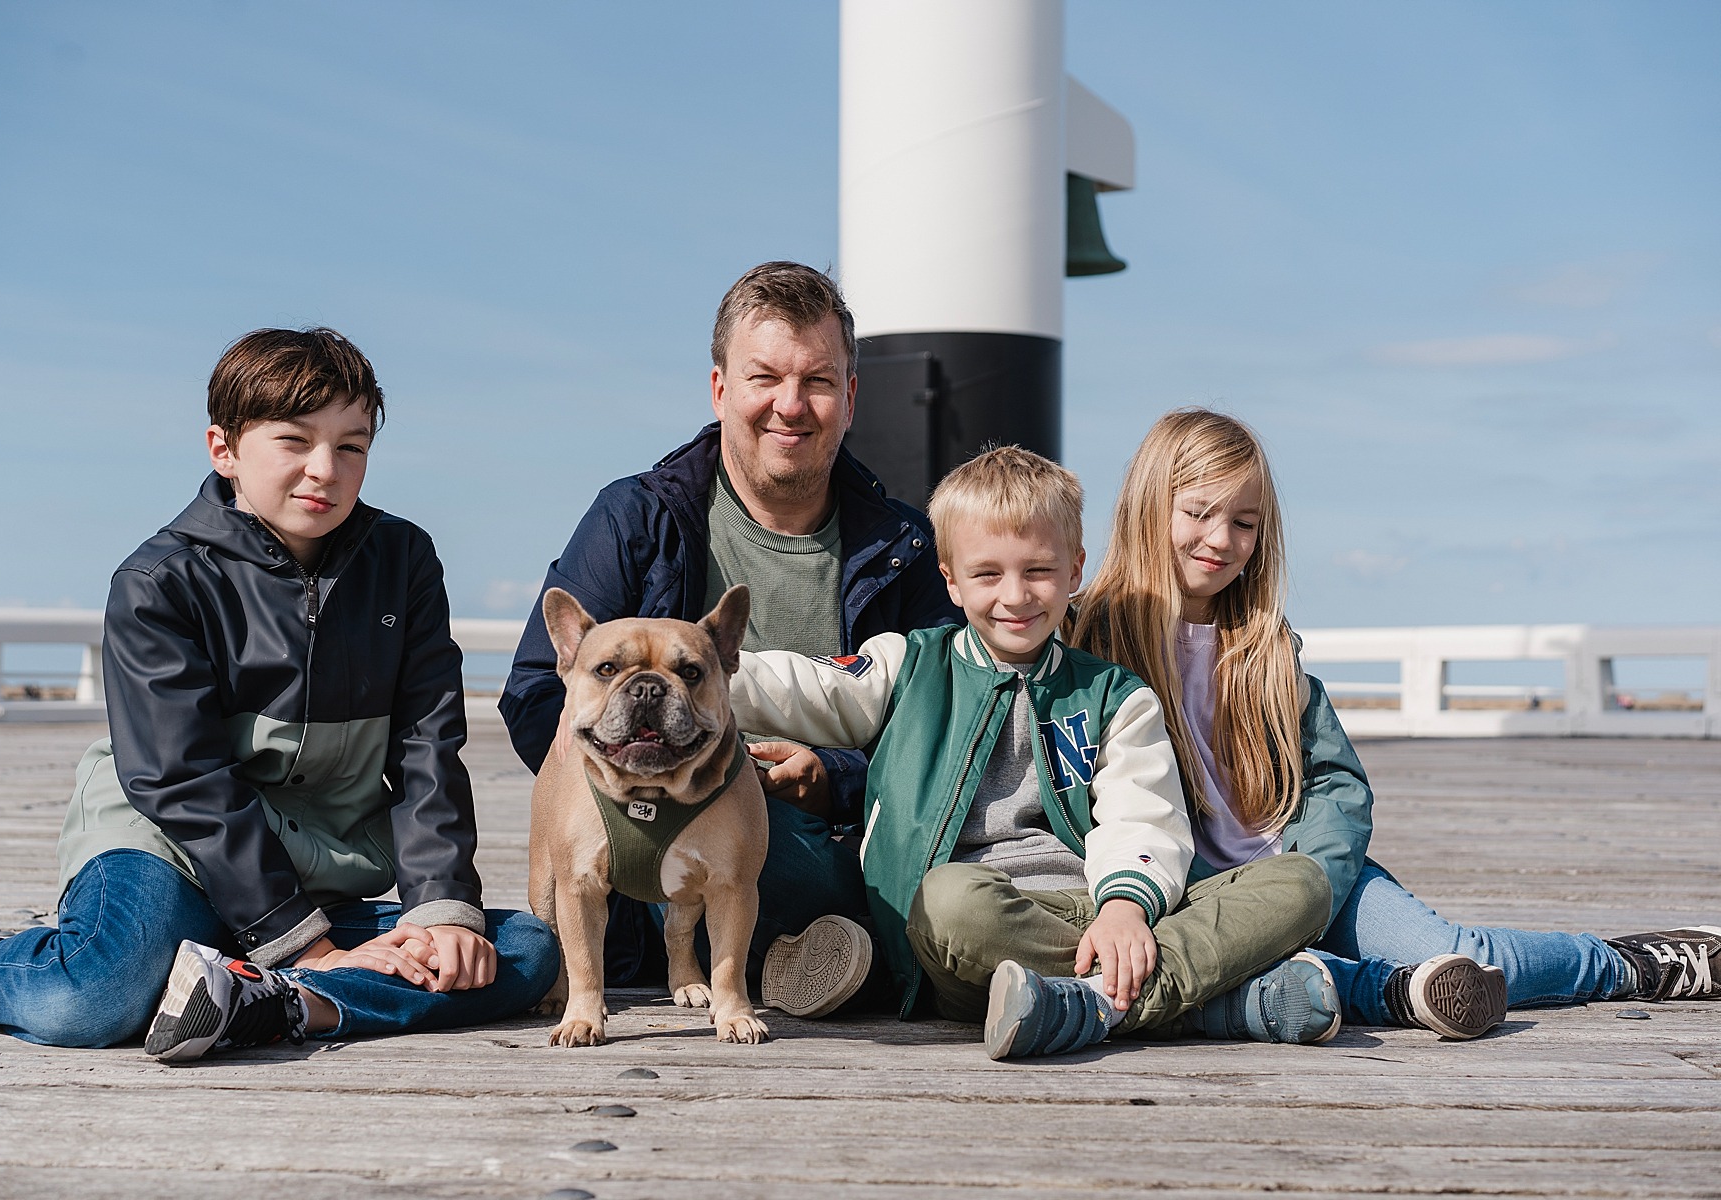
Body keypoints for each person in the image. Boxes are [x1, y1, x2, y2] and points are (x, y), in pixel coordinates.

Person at [0, 328, 559, 1058]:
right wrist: (307, 946)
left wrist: (441, 912)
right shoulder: (160, 580)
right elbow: (180, 778)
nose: (326, 470)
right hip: (170, 848)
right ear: (222, 449)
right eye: (294, 441)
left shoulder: (403, 561)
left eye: (351, 446)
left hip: (321, 861)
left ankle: (276, 1002)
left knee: (519, 950)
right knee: (94, 999)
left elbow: (427, 750)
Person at [1070, 407, 1719, 1036]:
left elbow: (1336, 784)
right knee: (1293, 979)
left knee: (1459, 952)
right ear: (1150, 506)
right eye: (1198, 512)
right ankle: (1392, 994)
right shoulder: (1086, 640)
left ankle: (1632, 963)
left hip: (1302, 870)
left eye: (1245, 521)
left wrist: (1317, 880)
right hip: (1188, 893)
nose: (1221, 539)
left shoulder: (1266, 646)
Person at [727, 446, 1345, 1059]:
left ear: (1075, 571)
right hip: (981, 932)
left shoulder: (1112, 694)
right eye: (988, 573)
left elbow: (1141, 813)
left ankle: (1084, 1006)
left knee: (1300, 883)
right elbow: (796, 685)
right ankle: (1194, 1002)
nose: (1016, 596)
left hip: (1100, 910)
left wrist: (1126, 907)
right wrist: (689, 675)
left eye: (1039, 571)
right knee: (948, 900)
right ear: (950, 579)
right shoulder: (906, 666)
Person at [500, 262, 960, 1017]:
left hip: (844, 826)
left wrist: (835, 774)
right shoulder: (635, 519)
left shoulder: (905, 544)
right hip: (653, 820)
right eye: (764, 377)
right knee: (753, 837)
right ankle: (814, 954)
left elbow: (944, 725)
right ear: (720, 390)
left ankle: (805, 953)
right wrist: (642, 773)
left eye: (816, 380)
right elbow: (536, 693)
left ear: (849, 398)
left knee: (889, 869)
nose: (790, 405)